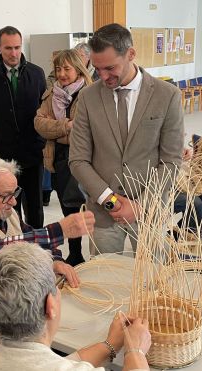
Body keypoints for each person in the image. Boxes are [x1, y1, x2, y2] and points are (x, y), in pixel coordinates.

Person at [0, 156, 94, 335]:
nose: (13, 202)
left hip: (10, 313)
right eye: (6, 196)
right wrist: (60, 231)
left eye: (14, 193)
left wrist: (55, 261)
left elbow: (28, 237)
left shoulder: (6, 211)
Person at [69, 23, 184, 255]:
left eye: (110, 68)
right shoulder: (88, 97)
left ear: (131, 54)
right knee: (106, 283)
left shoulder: (167, 95)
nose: (103, 76)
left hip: (150, 212)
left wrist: (140, 207)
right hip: (104, 214)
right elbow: (78, 160)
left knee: (152, 282)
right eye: (97, 69)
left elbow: (171, 160)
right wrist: (112, 202)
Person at [0, 242, 151, 371]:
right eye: (57, 285)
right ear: (50, 305)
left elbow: (56, 365)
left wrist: (109, 344)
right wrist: (135, 351)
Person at [0, 26, 47, 228]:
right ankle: (15, 242)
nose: (14, 53)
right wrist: (4, 135)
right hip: (5, 154)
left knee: (34, 204)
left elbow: (44, 109)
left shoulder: (36, 73)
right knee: (9, 203)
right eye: (8, 48)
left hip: (33, 150)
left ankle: (37, 244)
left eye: (17, 47)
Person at [35, 49, 93, 266]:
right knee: (68, 205)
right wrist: (66, 125)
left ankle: (94, 253)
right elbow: (39, 124)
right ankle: (75, 253)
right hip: (59, 157)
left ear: (78, 69)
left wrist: (58, 128)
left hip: (86, 157)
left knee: (85, 204)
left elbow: (87, 129)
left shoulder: (90, 93)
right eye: (58, 69)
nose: (61, 73)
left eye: (67, 68)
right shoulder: (52, 95)